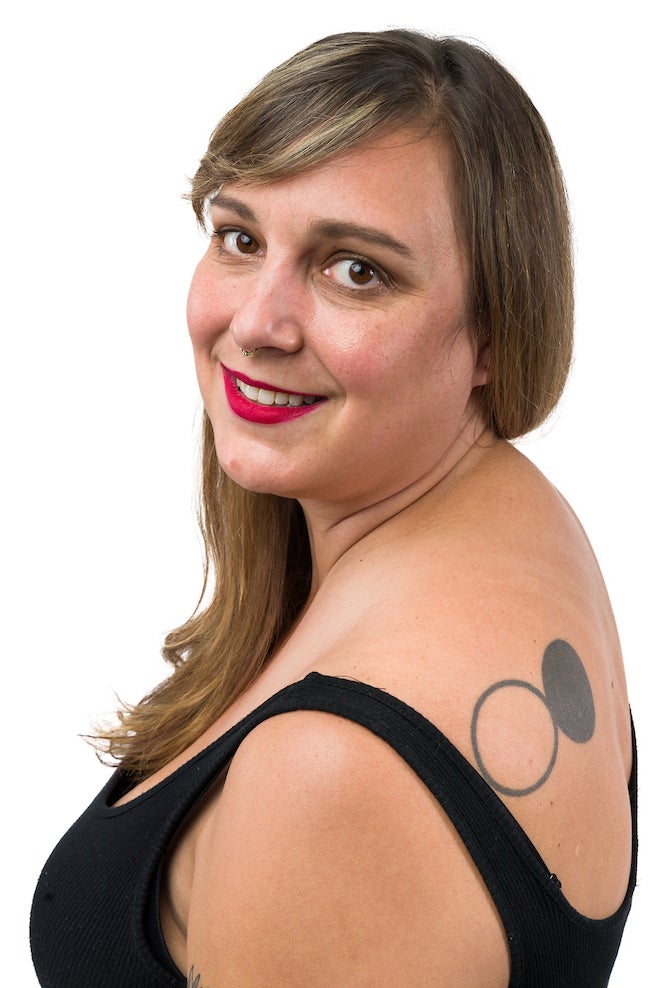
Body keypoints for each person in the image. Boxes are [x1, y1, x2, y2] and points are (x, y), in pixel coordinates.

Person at [30, 29, 636, 988]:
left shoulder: (330, 770)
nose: (255, 324)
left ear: (492, 332)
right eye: (239, 239)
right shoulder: (516, 520)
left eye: (355, 269)